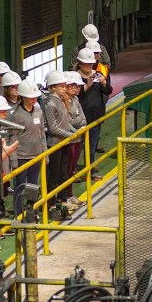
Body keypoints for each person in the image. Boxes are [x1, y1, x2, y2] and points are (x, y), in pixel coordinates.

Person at [43, 70, 78, 209]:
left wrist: (75, 132)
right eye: (61, 86)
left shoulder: (61, 101)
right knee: (54, 175)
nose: (64, 88)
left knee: (64, 173)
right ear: (52, 88)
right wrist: (70, 135)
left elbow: (65, 122)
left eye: (64, 85)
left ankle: (63, 202)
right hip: (55, 145)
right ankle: (51, 204)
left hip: (64, 143)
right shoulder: (50, 105)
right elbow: (53, 128)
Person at [9, 80, 45, 217]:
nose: (34, 98)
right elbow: (12, 137)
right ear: (23, 97)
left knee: (33, 185)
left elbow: (42, 132)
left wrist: (44, 153)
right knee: (20, 186)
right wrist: (13, 160)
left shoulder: (38, 111)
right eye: (31, 96)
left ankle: (32, 212)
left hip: (36, 155)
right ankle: (19, 213)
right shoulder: (16, 115)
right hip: (21, 157)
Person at [75, 47, 112, 179]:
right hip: (79, 118)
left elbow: (108, 91)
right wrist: (86, 86)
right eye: (85, 64)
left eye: (90, 64)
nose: (88, 66)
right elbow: (74, 97)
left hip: (95, 116)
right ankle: (74, 171)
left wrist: (104, 83)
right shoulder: (75, 78)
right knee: (76, 147)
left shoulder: (97, 74)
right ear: (79, 63)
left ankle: (90, 170)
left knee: (91, 145)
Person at [65, 71, 87, 181]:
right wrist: (78, 122)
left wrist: (77, 121)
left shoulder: (76, 100)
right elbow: (68, 122)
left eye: (78, 86)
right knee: (67, 170)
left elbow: (84, 120)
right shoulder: (62, 103)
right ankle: (66, 195)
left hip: (78, 139)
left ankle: (69, 194)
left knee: (73, 169)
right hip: (69, 141)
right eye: (73, 86)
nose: (77, 89)